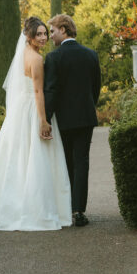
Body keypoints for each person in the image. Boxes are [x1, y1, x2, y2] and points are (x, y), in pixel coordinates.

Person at [0, 17, 72, 231]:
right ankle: (35, 211)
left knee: (17, 158)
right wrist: (43, 120)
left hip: (20, 111)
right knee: (37, 158)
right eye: (39, 34)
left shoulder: (23, 54)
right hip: (33, 110)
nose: (44, 37)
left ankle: (8, 206)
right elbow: (37, 91)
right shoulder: (35, 59)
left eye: (46, 33)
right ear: (29, 36)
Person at [44, 14, 101, 227]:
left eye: (53, 31)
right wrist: (88, 107)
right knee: (82, 162)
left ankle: (68, 209)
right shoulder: (91, 55)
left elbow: (51, 91)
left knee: (68, 162)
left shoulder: (54, 58)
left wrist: (46, 118)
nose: (50, 36)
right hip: (86, 117)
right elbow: (96, 88)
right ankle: (79, 211)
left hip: (65, 120)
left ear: (64, 30)